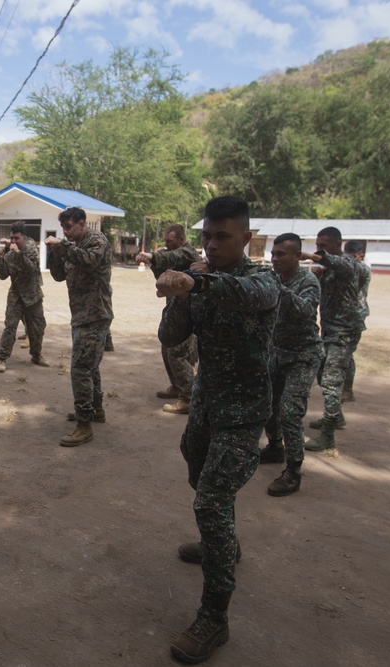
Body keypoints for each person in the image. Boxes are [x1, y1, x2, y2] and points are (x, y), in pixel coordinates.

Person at [156, 196, 279, 664]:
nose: (212, 243)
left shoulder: (260, 279)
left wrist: (198, 281)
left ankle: (214, 618)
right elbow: (171, 338)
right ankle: (220, 541)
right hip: (206, 406)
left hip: (244, 412)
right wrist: (181, 295)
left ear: (247, 238)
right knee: (196, 471)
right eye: (208, 235)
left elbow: (254, 297)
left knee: (211, 499)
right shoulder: (199, 278)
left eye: (222, 236)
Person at [258, 233, 323, 496]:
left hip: (303, 356)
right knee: (267, 404)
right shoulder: (273, 278)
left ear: (298, 256)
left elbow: (306, 311)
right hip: (277, 352)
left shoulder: (307, 281)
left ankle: (293, 471)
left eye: (281, 254)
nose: (275, 258)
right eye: (273, 254)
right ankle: (275, 447)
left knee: (290, 411)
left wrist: (279, 290)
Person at [46, 207, 113, 446]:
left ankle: (84, 425)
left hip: (95, 315)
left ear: (83, 224)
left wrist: (62, 246)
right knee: (90, 366)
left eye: (70, 226)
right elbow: (58, 275)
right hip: (81, 316)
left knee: (80, 369)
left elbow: (89, 262)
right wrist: (53, 252)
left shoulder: (96, 240)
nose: (66, 231)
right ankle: (95, 409)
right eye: (63, 227)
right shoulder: (71, 246)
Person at [303, 227, 364, 451]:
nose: (319, 249)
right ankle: (335, 416)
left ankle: (328, 435)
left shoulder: (348, 262)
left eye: (323, 245)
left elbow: (339, 265)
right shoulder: (331, 268)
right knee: (322, 372)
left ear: (338, 244)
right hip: (330, 329)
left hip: (344, 331)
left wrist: (311, 256)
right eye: (317, 245)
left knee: (330, 380)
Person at [137, 223, 199, 414]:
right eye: (166, 241)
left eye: (171, 241)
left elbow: (174, 256)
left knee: (177, 354)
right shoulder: (173, 253)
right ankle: (177, 386)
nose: (168, 245)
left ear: (181, 239)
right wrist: (156, 261)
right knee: (167, 349)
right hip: (174, 312)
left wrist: (154, 255)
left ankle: (188, 397)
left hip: (189, 314)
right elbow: (161, 278)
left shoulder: (188, 253)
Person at [0, 222, 49, 372]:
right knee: (10, 327)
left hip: (33, 295)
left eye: (16, 238)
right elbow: (2, 275)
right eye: (11, 238)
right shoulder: (9, 255)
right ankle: (2, 358)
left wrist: (18, 254)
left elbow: (31, 270)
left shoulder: (32, 250)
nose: (13, 241)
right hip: (16, 296)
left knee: (37, 328)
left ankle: (36, 355)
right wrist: (0, 259)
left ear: (24, 238)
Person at [342, 240, 369, 402]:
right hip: (344, 319)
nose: (350, 260)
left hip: (356, 318)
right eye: (347, 257)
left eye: (353, 257)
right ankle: (345, 388)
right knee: (344, 356)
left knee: (347, 355)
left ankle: (347, 389)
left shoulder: (362, 269)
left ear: (361, 256)